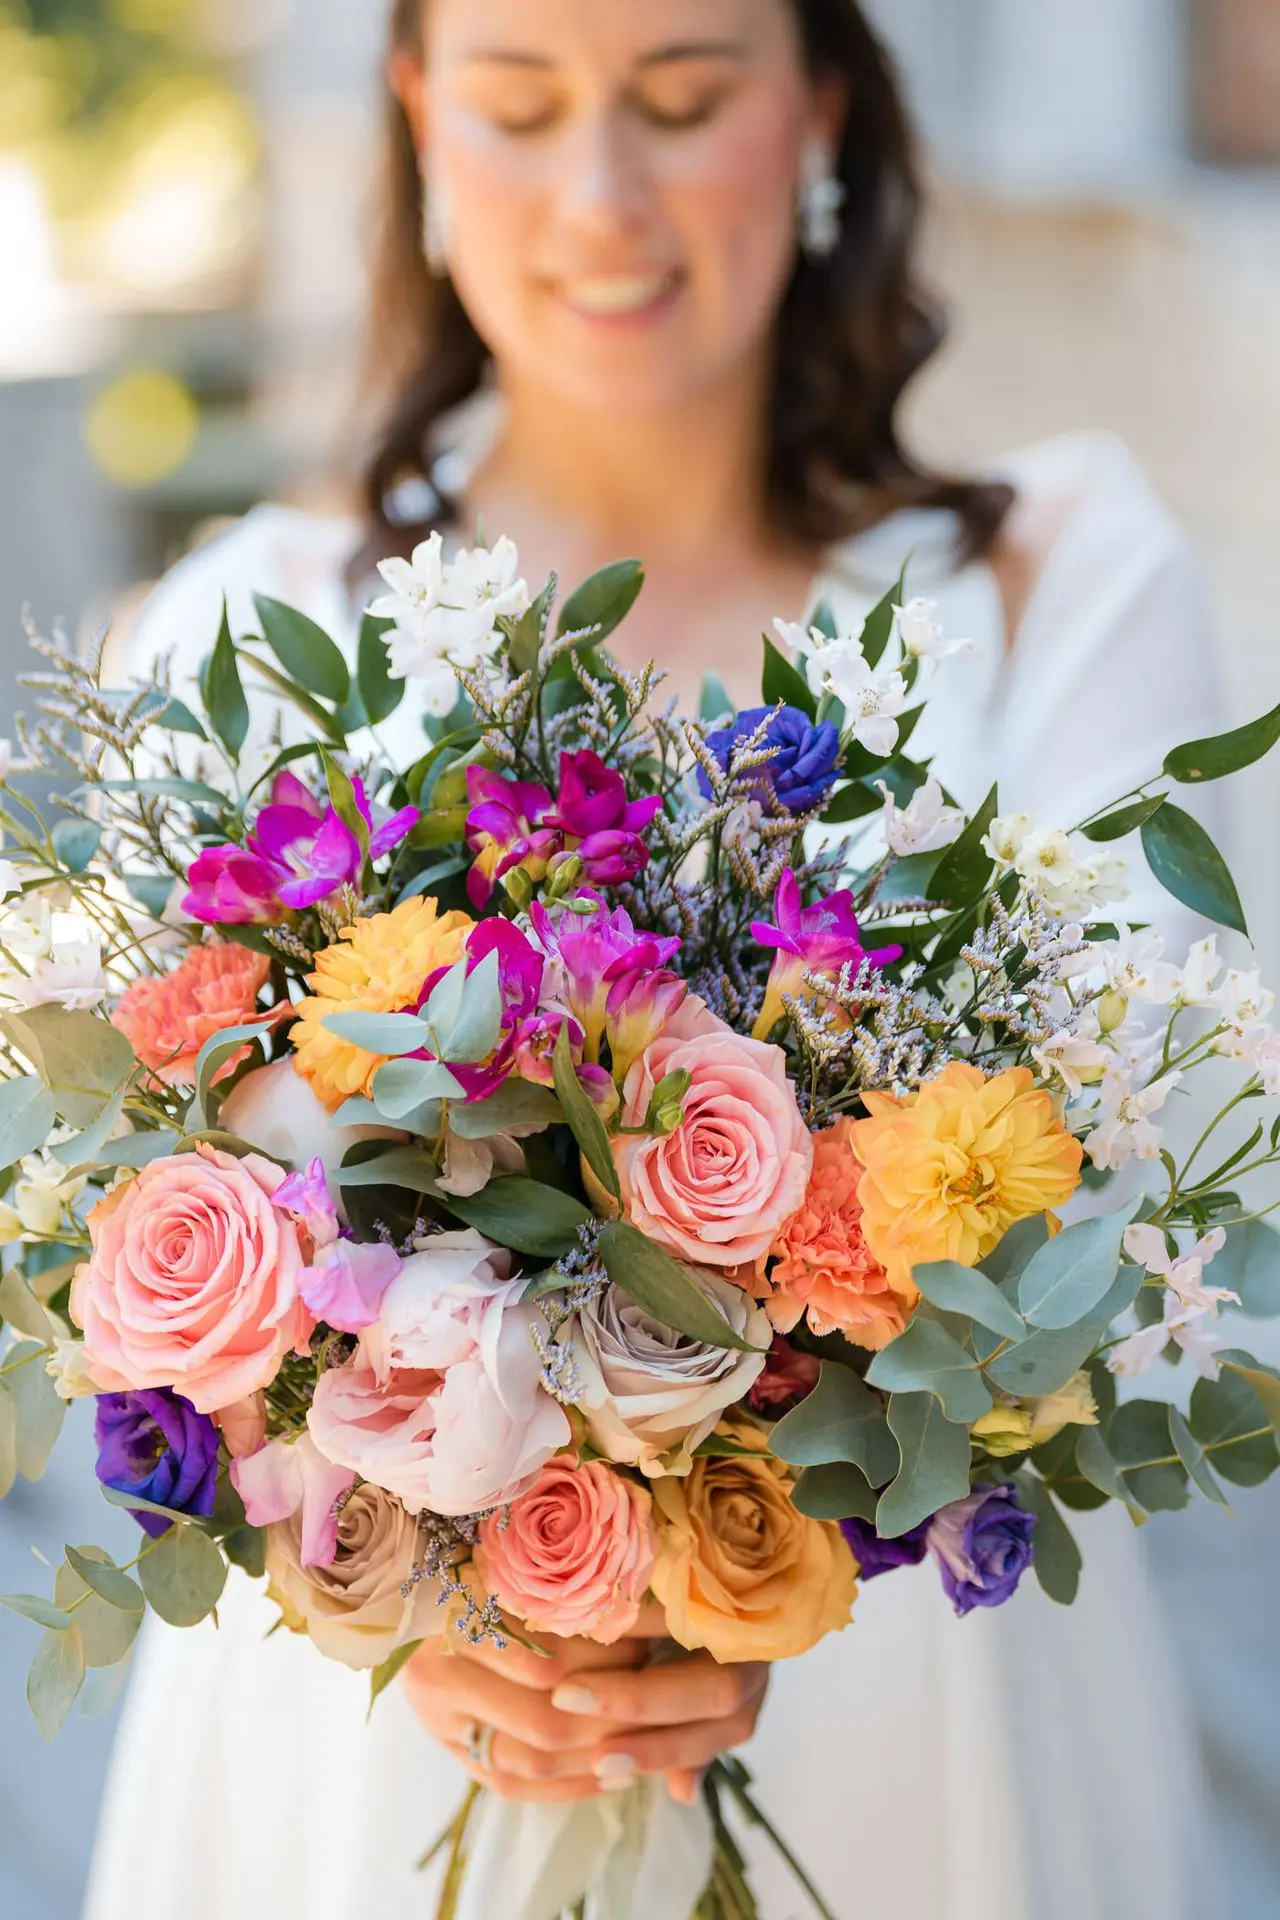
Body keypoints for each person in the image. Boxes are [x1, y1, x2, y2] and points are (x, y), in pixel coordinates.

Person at [86, 3, 1225, 1915]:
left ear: (824, 113)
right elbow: (122, 1248)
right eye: (524, 107)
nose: (602, 197)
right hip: (364, 1761)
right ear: (423, 123)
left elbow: (1124, 1230)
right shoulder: (245, 627)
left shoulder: (1065, 584)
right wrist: (381, 1585)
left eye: (683, 100)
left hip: (915, 1725)